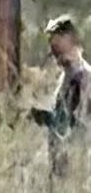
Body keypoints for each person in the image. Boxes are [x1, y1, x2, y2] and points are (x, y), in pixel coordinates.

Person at [36, 15, 91, 173]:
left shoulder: (85, 79)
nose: (58, 59)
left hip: (78, 161)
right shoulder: (64, 78)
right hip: (61, 161)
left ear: (73, 44)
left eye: (60, 52)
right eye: (55, 54)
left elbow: (78, 123)